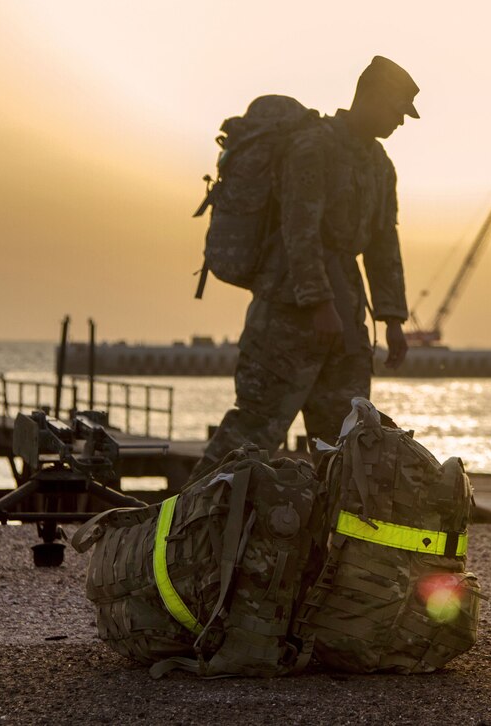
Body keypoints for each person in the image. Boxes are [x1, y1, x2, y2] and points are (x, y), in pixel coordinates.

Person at [192, 56, 416, 478]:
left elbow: (385, 243)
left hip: (347, 324)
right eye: (395, 110)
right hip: (286, 313)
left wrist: (392, 319)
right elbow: (300, 230)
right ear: (368, 96)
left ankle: (337, 543)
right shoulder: (312, 147)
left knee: (347, 445)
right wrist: (318, 304)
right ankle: (183, 531)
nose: (400, 123)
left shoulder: (380, 165)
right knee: (253, 432)